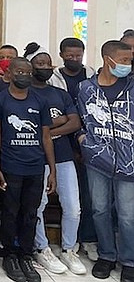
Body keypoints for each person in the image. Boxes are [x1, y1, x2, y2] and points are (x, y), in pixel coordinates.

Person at [0, 57, 56, 282]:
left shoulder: (40, 101)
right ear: (9, 74)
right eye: (19, 72)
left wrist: (52, 170)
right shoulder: (0, 100)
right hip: (10, 166)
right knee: (10, 212)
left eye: (27, 73)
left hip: (35, 167)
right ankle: (10, 254)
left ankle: (26, 254)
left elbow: (46, 136)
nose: (24, 76)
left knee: (31, 213)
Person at [22, 43, 86, 275]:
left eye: (48, 64)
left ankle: (69, 249)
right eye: (40, 64)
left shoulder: (60, 93)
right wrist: (55, 124)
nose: (46, 67)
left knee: (73, 207)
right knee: (38, 205)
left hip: (63, 156)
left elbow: (74, 122)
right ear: (30, 66)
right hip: (36, 158)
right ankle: (42, 247)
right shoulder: (25, 93)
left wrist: (48, 131)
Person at [76, 40, 134, 282]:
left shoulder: (132, 87)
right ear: (108, 59)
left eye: (129, 61)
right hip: (97, 161)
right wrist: (82, 140)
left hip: (129, 163)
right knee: (99, 210)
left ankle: (129, 260)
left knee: (127, 215)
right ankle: (107, 256)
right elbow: (78, 118)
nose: (128, 65)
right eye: (124, 61)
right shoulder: (85, 88)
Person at [48, 37, 98, 261]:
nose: (74, 59)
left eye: (78, 55)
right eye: (70, 55)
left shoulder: (92, 75)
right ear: (61, 54)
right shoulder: (52, 79)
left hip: (89, 142)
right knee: (60, 195)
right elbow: (51, 116)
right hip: (60, 143)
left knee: (86, 196)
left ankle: (85, 239)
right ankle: (58, 242)